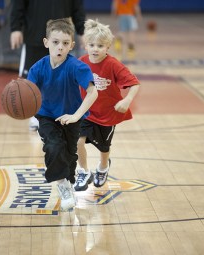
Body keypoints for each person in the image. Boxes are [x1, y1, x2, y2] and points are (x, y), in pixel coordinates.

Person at [27, 18, 98, 210]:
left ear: (72, 46)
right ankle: (62, 186)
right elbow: (27, 93)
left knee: (69, 156)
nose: (60, 47)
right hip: (47, 116)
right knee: (53, 146)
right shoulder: (38, 68)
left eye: (65, 43)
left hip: (71, 117)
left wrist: (76, 116)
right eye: (55, 42)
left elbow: (93, 92)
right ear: (46, 43)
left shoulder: (77, 67)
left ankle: (68, 183)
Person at [73, 19, 140, 191]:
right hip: (87, 112)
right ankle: (84, 171)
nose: (95, 49)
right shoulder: (81, 62)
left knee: (104, 148)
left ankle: (103, 167)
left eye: (100, 46)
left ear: (108, 47)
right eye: (92, 45)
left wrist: (126, 100)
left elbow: (135, 83)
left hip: (107, 115)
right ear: (85, 45)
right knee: (78, 140)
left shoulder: (113, 64)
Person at [9, 0, 86, 131]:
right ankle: (36, 114)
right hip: (34, 35)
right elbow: (18, 4)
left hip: (61, 38)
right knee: (33, 80)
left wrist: (82, 30)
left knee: (61, 78)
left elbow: (77, 6)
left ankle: (58, 114)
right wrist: (16, 28)